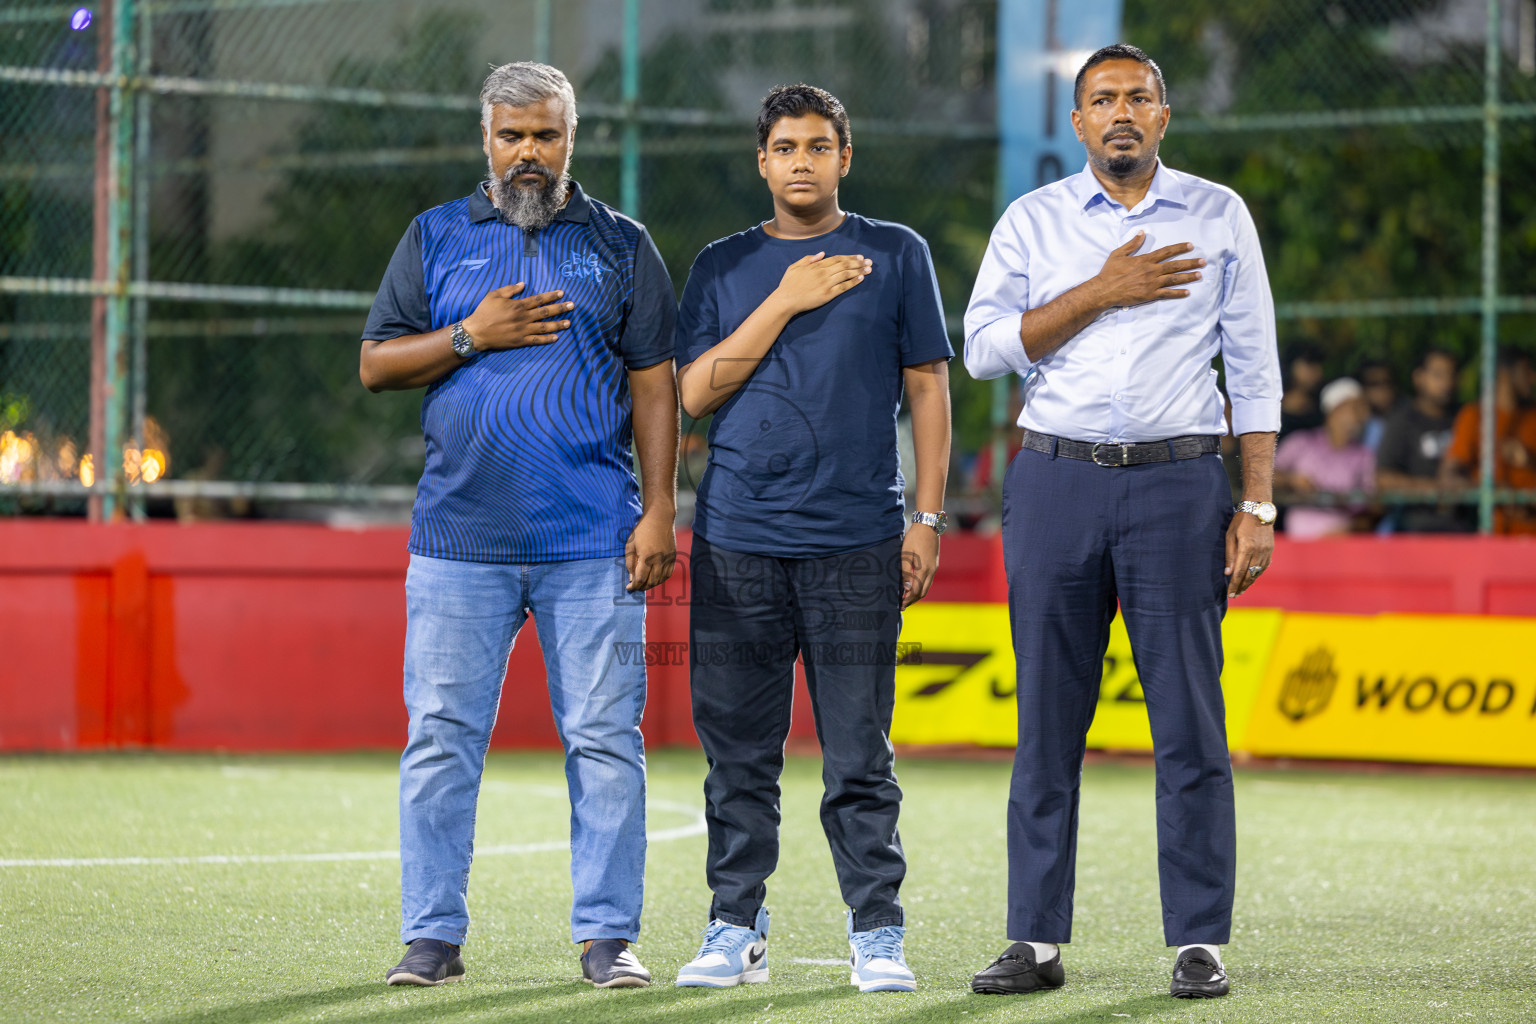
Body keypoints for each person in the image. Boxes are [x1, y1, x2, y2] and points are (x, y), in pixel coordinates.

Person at [962, 43, 1280, 1000]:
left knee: (1189, 721)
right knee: (1046, 724)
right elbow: (981, 350)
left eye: (1140, 96)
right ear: (1078, 123)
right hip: (1056, 482)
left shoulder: (1220, 215)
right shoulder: (1036, 221)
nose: (1122, 113)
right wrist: (1099, 290)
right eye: (1103, 99)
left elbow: (1254, 368)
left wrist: (1257, 501)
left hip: (1182, 487)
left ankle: (1198, 940)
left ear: (1164, 115)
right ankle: (1034, 941)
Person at [358, 62, 679, 990]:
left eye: (545, 135)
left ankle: (609, 937)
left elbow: (654, 382)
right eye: (512, 136)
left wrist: (659, 509)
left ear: (572, 138)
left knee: (607, 740)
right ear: (486, 142)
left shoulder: (621, 244)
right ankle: (431, 938)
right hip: (459, 541)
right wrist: (472, 335)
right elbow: (377, 365)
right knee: (440, 738)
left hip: (593, 539)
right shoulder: (436, 237)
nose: (528, 154)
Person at [671, 83, 953, 994]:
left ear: (844, 156)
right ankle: (734, 927)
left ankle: (878, 931)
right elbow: (692, 394)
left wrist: (927, 518)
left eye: (819, 144)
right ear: (762, 162)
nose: (801, 159)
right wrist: (787, 299)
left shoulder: (896, 254)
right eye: (785, 146)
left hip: (857, 544)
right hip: (735, 543)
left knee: (859, 756)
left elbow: (929, 391)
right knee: (738, 756)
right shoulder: (721, 266)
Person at [1441, 349, 1536, 534]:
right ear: (1505, 375)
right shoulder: (1474, 416)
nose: (1533, 378)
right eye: (1527, 371)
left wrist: (1530, 461)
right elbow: (1451, 473)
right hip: (1493, 534)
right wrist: (1491, 490)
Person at [1376, 348, 1467, 532]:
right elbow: (1383, 479)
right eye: (1438, 375)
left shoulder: (1465, 418)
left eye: (1451, 374)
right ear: (1418, 378)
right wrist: (1435, 489)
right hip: (1415, 530)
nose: (1447, 383)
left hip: (1461, 529)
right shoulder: (1401, 420)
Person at [1272, 378, 1375, 538]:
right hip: (1296, 541)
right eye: (1354, 408)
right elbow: (1265, 474)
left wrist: (1352, 528)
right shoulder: (1302, 442)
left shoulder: (1363, 454)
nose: (1361, 416)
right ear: (1333, 410)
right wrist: (1291, 480)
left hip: (1343, 541)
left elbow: (1373, 504)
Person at [1278, 345, 1325, 440]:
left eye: (1318, 365)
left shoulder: (1323, 406)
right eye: (1310, 364)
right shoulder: (1272, 406)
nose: (1317, 371)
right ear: (1290, 365)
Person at [1358, 359, 1398, 452]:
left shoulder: (1405, 421)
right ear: (1363, 388)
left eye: (1387, 382)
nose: (1383, 389)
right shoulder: (1354, 424)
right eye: (1375, 384)